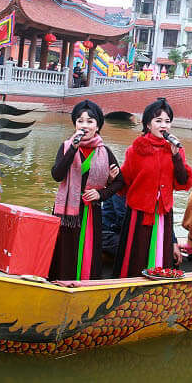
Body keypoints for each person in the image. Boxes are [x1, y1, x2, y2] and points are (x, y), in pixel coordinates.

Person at [113, 98, 192, 277]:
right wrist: (113, 178)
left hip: (163, 212)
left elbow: (182, 182)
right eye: (158, 121)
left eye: (167, 121)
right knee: (137, 255)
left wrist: (176, 157)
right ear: (148, 124)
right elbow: (124, 184)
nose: (163, 125)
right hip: (139, 213)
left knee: (160, 254)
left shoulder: (175, 149)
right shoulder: (135, 149)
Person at [50, 100, 124, 280]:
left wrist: (101, 193)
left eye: (90, 121)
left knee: (89, 249)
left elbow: (120, 182)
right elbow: (57, 175)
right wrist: (73, 149)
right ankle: (60, 282)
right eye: (80, 121)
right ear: (75, 124)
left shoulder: (105, 152)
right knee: (66, 249)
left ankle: (85, 283)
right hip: (67, 212)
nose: (84, 125)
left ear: (97, 126)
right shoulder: (66, 147)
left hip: (92, 210)